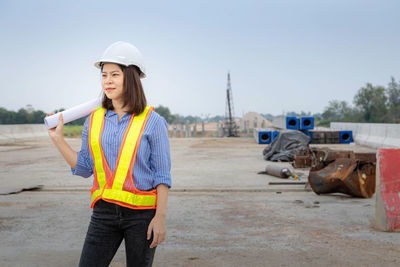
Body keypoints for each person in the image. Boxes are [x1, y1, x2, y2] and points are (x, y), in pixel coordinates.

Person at [47, 41, 171, 267]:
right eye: (104, 75)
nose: (108, 81)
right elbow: (84, 168)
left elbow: (162, 175)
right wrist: (59, 140)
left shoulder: (154, 122)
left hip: (142, 216)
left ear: (131, 77)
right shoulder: (94, 120)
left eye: (115, 74)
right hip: (103, 213)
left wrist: (159, 218)